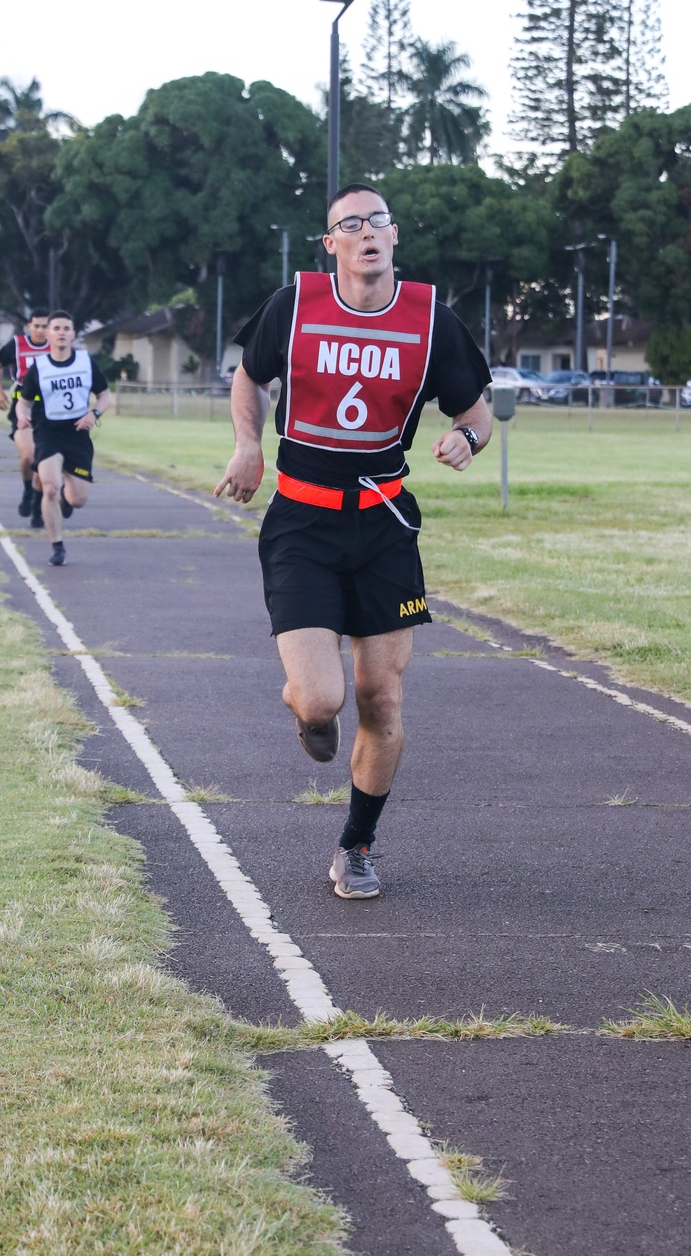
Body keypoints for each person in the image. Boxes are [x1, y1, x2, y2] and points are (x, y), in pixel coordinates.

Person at [215, 184, 492, 900]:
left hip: (385, 526)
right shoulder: (295, 305)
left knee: (383, 698)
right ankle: (305, 706)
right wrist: (248, 445)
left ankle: (357, 846)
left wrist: (465, 437)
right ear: (330, 243)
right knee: (320, 701)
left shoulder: (431, 319)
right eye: (350, 224)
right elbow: (249, 375)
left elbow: (479, 412)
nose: (367, 232)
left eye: (378, 221)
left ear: (395, 237)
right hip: (302, 525)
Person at [15, 310, 112, 566]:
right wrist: (21, 416)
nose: (61, 333)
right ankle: (57, 546)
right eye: (56, 328)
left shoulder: (85, 362)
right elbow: (23, 403)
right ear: (48, 334)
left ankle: (66, 500)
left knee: (78, 500)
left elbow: (105, 395)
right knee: (49, 487)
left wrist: (94, 413)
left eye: (66, 328)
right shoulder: (39, 368)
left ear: (73, 334)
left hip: (78, 434)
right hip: (48, 432)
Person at [0, 308, 50, 526]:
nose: (41, 330)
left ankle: (37, 506)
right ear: (29, 326)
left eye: (45, 326)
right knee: (28, 456)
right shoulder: (17, 345)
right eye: (37, 326)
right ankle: (27, 490)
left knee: (43, 461)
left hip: (49, 409)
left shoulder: (57, 346)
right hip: (22, 405)